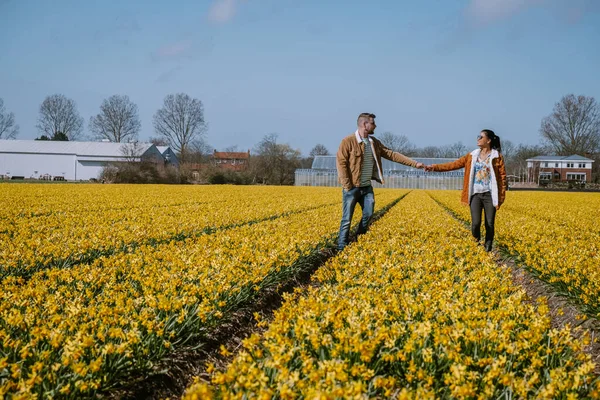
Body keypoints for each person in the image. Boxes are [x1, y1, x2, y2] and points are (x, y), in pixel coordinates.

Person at [336, 113, 424, 250]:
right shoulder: (347, 141)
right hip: (352, 187)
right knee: (347, 219)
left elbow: (391, 154)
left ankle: (358, 238)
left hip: (366, 188)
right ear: (365, 125)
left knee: (369, 214)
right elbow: (341, 163)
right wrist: (347, 185)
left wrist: (414, 164)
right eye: (373, 123)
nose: (375, 125)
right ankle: (341, 246)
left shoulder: (374, 143)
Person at [424, 129, 507, 251]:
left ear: (488, 140)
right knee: (475, 223)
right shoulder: (471, 156)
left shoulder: (496, 157)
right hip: (475, 194)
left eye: (481, 136)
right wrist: (434, 167)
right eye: (478, 136)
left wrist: (501, 195)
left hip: (490, 194)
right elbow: (453, 165)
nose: (478, 138)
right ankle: (476, 246)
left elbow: (502, 177)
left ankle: (488, 248)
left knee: (489, 223)